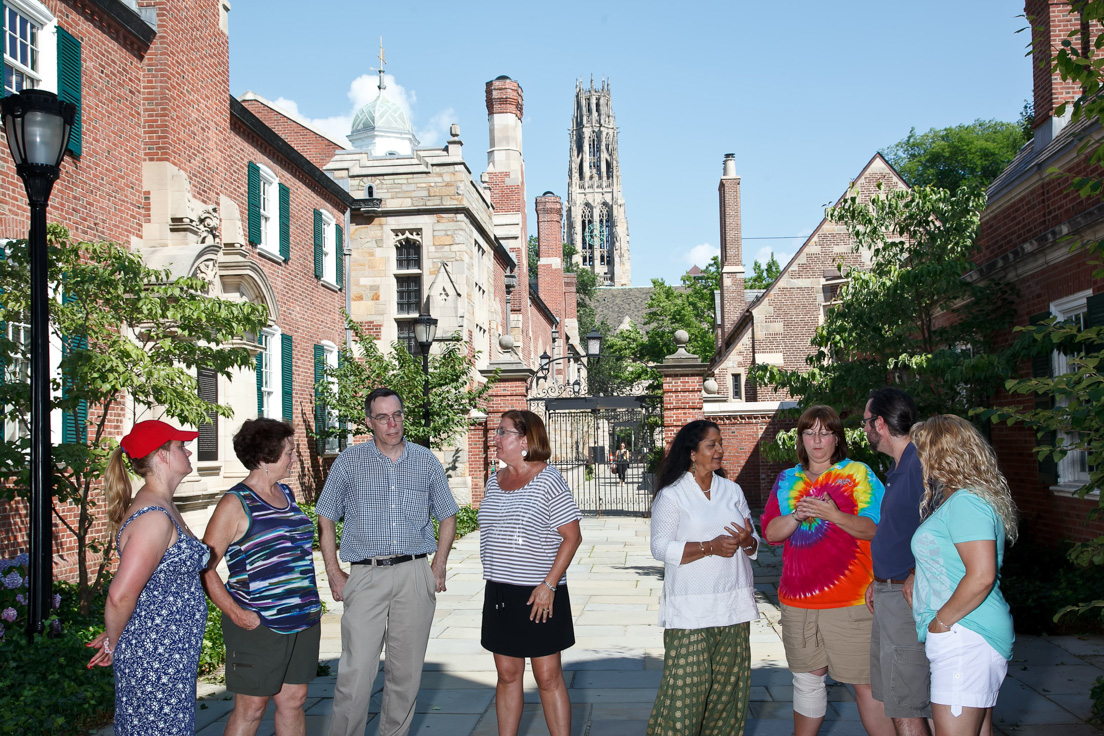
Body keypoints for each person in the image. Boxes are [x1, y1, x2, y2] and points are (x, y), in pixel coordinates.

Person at [317, 387, 459, 736]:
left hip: (414, 573)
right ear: (369, 422)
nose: (392, 424)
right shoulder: (350, 462)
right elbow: (325, 517)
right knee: (355, 672)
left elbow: (448, 516)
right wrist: (334, 572)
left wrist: (438, 565)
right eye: (382, 417)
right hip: (366, 575)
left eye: (397, 415)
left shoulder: (426, 461)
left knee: (406, 675)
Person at [761, 406, 893, 736]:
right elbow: (771, 534)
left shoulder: (858, 474)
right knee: (806, 682)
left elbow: (877, 530)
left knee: (867, 685)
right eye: (809, 432)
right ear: (800, 439)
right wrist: (796, 515)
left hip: (850, 603)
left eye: (825, 432)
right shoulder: (787, 480)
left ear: (837, 439)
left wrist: (832, 514)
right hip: (797, 602)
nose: (817, 440)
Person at [85, 420, 208, 736]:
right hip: (155, 662)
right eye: (181, 446)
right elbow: (120, 596)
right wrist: (115, 640)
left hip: (167, 658)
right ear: (162, 456)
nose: (188, 450)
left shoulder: (164, 506)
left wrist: (119, 629)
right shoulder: (154, 517)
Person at [200, 418, 322, 736]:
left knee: (294, 700)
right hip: (259, 623)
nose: (294, 458)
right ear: (268, 456)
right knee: (252, 708)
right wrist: (236, 613)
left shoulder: (287, 493)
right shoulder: (234, 503)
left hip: (303, 619)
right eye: (290, 452)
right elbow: (205, 567)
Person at [647, 419, 759, 736]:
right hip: (690, 611)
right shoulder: (673, 496)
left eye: (720, 443)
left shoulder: (732, 490)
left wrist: (748, 540)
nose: (720, 450)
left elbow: (753, 546)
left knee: (728, 700)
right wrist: (710, 547)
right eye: (712, 444)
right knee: (682, 700)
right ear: (693, 453)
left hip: (733, 606)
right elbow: (659, 547)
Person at [909, 415, 1018, 736]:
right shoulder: (964, 499)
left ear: (941, 454)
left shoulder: (967, 503)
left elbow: (982, 574)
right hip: (967, 635)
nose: (919, 461)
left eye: (922, 451)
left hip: (964, 633)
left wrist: (941, 623)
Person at [478, 409, 583, 736]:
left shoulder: (548, 479)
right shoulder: (493, 480)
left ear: (524, 441)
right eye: (497, 431)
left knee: (547, 676)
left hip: (539, 593)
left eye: (502, 431)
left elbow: (572, 536)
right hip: (499, 591)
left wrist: (549, 585)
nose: (494, 437)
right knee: (507, 674)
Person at [862, 388, 933, 736]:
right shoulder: (899, 467)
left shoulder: (922, 466)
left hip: (906, 603)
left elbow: (948, 526)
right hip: (889, 594)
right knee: (898, 696)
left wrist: (916, 572)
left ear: (879, 423)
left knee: (907, 702)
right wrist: (879, 581)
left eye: (865, 422)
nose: (864, 430)